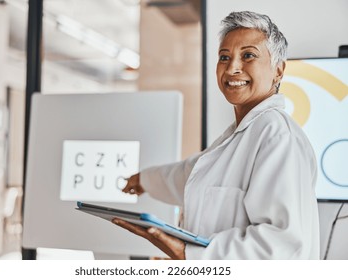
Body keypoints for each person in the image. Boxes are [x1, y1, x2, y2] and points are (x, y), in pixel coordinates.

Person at [112, 11, 320, 260]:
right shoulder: (240, 135)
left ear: (278, 70)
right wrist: (144, 179)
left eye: (248, 55)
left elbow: (280, 244)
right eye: (224, 57)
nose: (232, 68)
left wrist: (191, 255)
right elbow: (190, 176)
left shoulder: (276, 135)